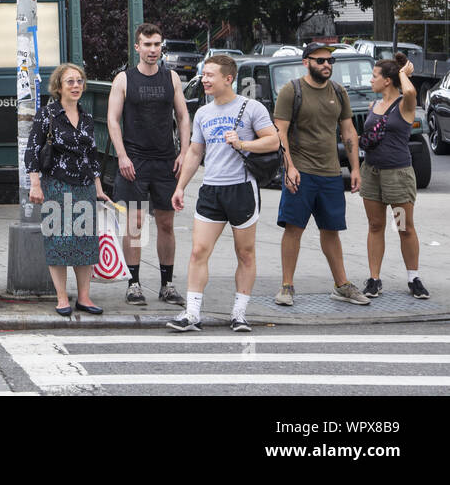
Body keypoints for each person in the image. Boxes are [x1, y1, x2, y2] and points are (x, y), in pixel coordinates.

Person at [168, 55, 279, 332]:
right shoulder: (203, 113)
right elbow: (195, 152)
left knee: (245, 253)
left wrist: (243, 142)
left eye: (210, 75)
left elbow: (273, 140)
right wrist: (180, 186)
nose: (204, 79)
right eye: (204, 75)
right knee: (198, 251)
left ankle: (239, 313)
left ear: (228, 79)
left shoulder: (251, 108)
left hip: (241, 189)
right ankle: (192, 314)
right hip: (211, 190)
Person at [273, 42, 368, 306]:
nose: (327, 65)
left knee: (331, 230)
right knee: (294, 228)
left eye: (330, 61)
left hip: (330, 173)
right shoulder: (291, 91)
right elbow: (280, 131)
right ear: (306, 63)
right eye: (320, 61)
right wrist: (289, 167)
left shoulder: (338, 92)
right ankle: (287, 286)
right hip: (301, 171)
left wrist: (355, 168)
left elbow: (348, 132)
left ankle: (341, 285)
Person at [107, 23, 191, 306]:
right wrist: (122, 155)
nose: (153, 50)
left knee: (166, 222)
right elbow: (112, 120)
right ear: (137, 47)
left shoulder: (172, 78)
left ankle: (167, 284)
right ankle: (134, 283)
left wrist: (185, 152)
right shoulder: (124, 79)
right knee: (135, 223)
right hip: (134, 160)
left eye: (157, 45)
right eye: (147, 44)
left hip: (166, 161)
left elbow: (183, 116)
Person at [25, 62, 112, 316]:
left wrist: (98, 187)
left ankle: (84, 297)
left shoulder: (86, 117)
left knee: (85, 243)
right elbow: (32, 149)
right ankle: (62, 298)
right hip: (56, 185)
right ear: (59, 87)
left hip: (84, 186)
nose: (76, 86)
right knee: (59, 242)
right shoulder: (48, 114)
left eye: (79, 81)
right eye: (70, 82)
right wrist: (35, 184)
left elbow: (92, 156)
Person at [360, 53, 430, 299]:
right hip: (372, 174)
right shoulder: (373, 106)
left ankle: (414, 278)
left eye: (374, 76)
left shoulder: (404, 104)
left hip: (396, 176)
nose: (370, 81)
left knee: (403, 227)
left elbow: (410, 92)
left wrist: (403, 72)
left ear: (387, 80)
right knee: (375, 225)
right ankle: (374, 279)